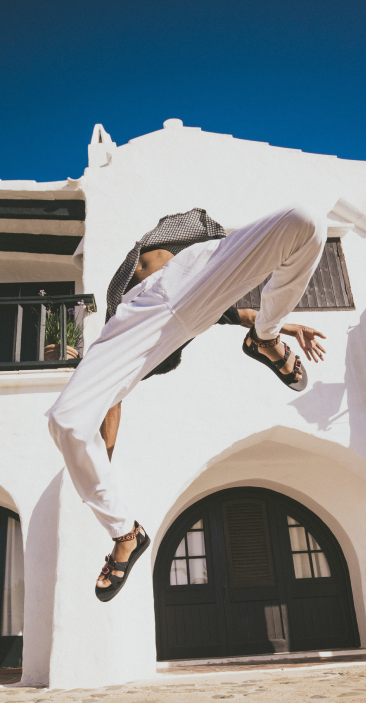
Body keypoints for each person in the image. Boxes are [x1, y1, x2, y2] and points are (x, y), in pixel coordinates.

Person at [47, 204, 327, 601]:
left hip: (194, 274)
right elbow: (112, 401)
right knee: (66, 420)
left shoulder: (192, 247)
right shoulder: (118, 333)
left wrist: (278, 322)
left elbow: (233, 309)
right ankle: (126, 533)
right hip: (140, 317)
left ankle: (266, 337)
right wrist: (101, 464)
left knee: (307, 221)